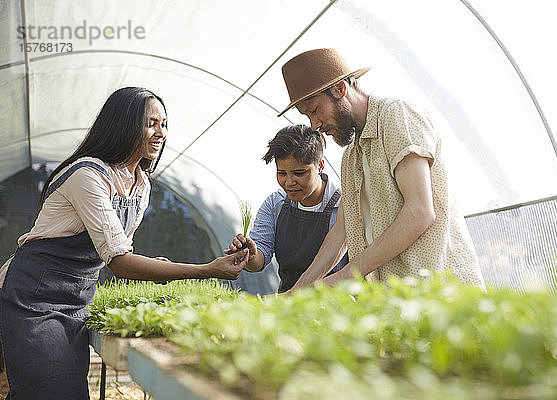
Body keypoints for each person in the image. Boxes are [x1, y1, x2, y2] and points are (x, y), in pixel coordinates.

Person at [0, 87, 248, 400]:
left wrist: (155, 265)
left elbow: (117, 250)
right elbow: (119, 262)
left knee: (55, 391)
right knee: (50, 391)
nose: (161, 133)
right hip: (33, 299)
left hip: (77, 300)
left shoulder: (140, 184)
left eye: (164, 124)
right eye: (151, 123)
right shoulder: (88, 175)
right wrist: (206, 269)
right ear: (125, 125)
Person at [275, 48, 485, 290]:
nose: (315, 125)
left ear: (340, 89)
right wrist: (295, 293)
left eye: (315, 110)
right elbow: (340, 231)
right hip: (397, 299)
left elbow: (419, 211)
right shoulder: (351, 155)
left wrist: (345, 276)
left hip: (443, 294)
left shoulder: (397, 115)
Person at [226, 125, 348, 293]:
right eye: (281, 173)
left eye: (299, 173)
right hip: (287, 307)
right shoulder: (275, 204)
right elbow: (259, 260)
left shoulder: (344, 205)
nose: (289, 182)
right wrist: (250, 256)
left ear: (320, 166)